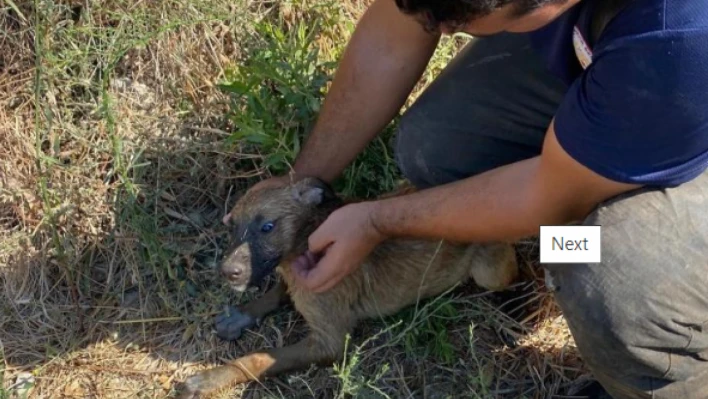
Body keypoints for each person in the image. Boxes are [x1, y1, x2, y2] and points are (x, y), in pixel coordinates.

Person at [226, 0, 708, 397]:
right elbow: (399, 28)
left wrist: (377, 222)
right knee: (436, 147)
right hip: (610, 53)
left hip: (676, 82)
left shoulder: (677, 35)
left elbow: (548, 195)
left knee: (597, 266)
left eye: (452, 22)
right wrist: (296, 191)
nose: (436, 30)